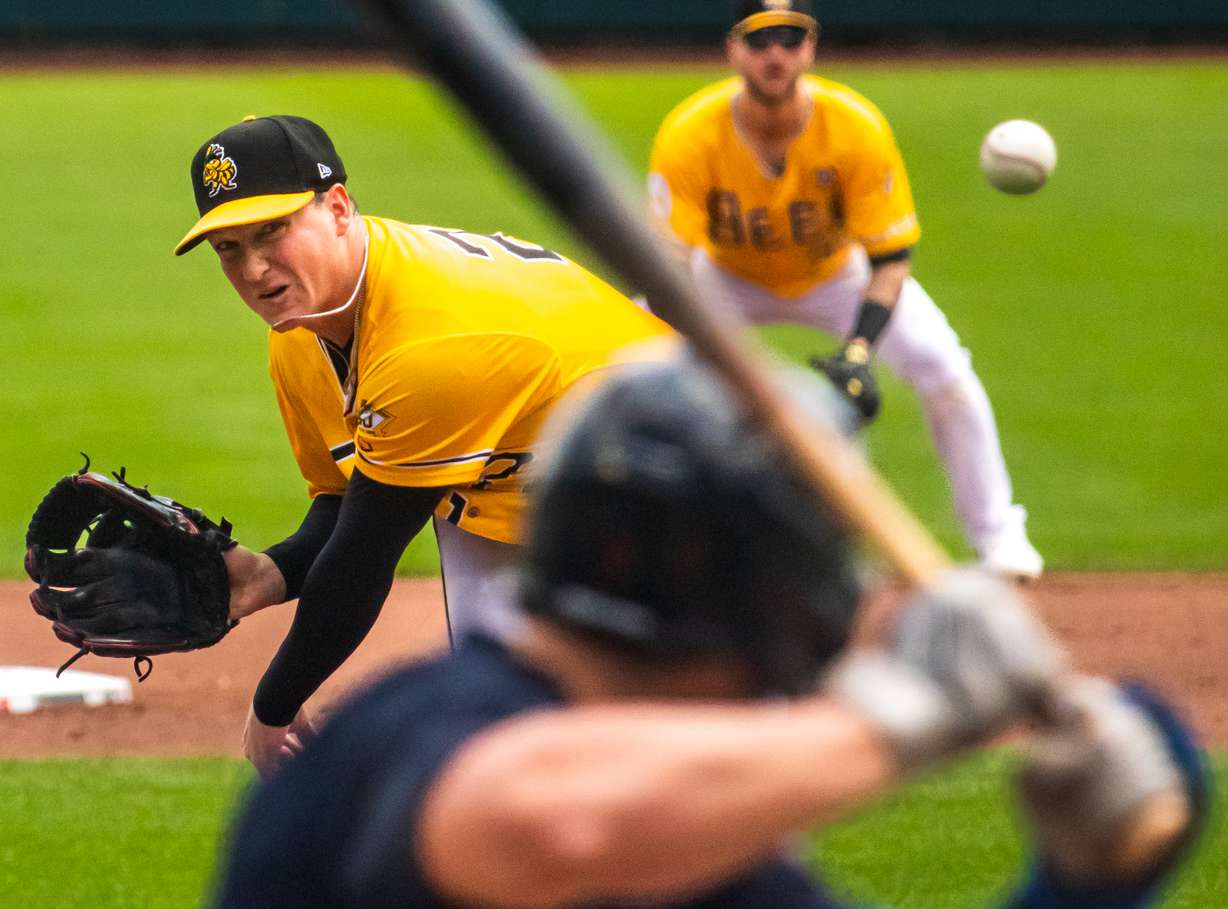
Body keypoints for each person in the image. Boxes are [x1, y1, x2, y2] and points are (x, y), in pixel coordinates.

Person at [212, 358, 1205, 909]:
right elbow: (542, 820)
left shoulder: (710, 852)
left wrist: (1081, 887)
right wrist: (899, 718)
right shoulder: (416, 730)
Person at [173, 114, 674, 777]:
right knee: (503, 744)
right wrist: (274, 572)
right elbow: (347, 501)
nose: (255, 268)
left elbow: (365, 553)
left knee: (649, 740)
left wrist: (274, 706)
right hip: (516, 480)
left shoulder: (427, 344)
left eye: (273, 230)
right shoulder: (302, 331)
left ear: (340, 208)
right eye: (229, 248)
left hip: (667, 472)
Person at [647, 0, 1042, 579]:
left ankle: (1001, 538)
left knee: (944, 368)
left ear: (810, 47)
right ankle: (639, 550)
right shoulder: (691, 133)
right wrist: (714, 361)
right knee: (620, 364)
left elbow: (889, 258)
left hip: (833, 272)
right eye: (759, 40)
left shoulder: (854, 125)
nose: (775, 54)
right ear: (733, 49)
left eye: (789, 37)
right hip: (725, 276)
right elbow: (668, 270)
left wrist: (859, 350)